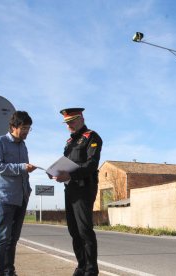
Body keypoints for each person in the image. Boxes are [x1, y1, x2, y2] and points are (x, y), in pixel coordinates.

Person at [51, 107, 103, 276]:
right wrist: (56, 173)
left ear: (81, 118)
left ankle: (91, 269)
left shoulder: (91, 137)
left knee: (84, 230)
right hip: (70, 188)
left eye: (71, 121)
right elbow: (66, 163)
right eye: (66, 123)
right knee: (73, 230)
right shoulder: (69, 142)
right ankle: (81, 265)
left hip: (84, 188)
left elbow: (91, 165)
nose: (69, 126)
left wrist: (70, 174)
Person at [0, 111, 37, 276]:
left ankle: (10, 271)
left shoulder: (23, 146)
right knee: (3, 238)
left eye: (28, 129)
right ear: (13, 127)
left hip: (21, 197)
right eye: (23, 128)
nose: (26, 132)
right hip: (5, 198)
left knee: (13, 239)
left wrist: (28, 188)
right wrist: (22, 167)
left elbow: (23, 172)